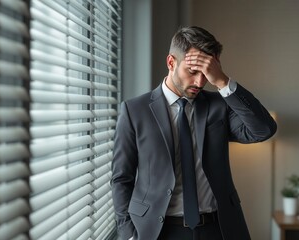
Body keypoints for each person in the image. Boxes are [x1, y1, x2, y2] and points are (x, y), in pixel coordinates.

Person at [111, 26, 277, 240]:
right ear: (171, 62)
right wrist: (128, 233)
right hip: (158, 231)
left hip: (218, 229)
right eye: (192, 72)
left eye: (206, 73)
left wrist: (222, 82)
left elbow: (263, 130)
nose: (200, 82)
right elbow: (121, 178)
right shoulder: (135, 111)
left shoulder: (219, 106)